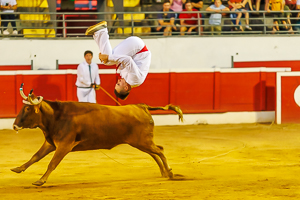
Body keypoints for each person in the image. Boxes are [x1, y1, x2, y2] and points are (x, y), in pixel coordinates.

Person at [85, 21, 151, 100]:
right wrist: (108, 57)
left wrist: (104, 58)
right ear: (126, 87)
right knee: (109, 60)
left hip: (134, 49)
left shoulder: (127, 80)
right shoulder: (134, 79)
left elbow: (121, 63)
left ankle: (97, 33)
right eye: (119, 84)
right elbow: (128, 60)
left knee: (106, 61)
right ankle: (101, 31)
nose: (118, 81)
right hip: (138, 47)